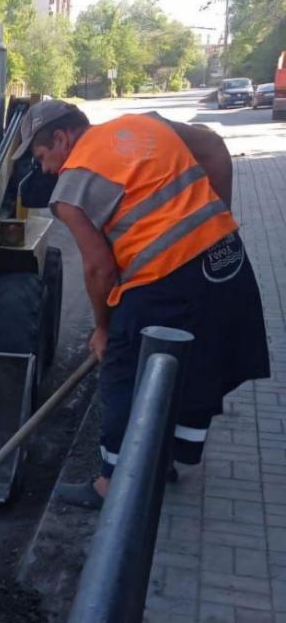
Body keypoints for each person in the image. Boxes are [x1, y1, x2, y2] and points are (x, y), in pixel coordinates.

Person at [15, 100, 269, 509]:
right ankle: (160, 459)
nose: (44, 169)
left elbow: (99, 271)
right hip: (227, 262)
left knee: (122, 368)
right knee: (188, 362)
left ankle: (112, 485)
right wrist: (216, 222)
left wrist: (103, 328)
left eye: (42, 156)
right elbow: (215, 149)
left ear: (61, 138)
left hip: (168, 279)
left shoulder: (70, 187)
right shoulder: (144, 123)